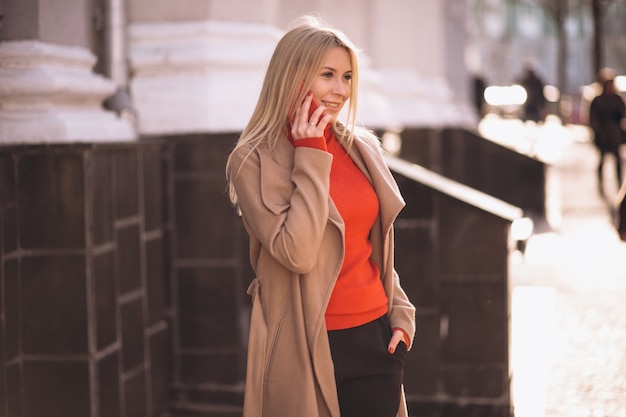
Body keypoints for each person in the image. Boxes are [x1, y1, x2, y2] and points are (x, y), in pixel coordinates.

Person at [225, 15, 416, 417]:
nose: (340, 90)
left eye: (347, 77)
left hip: (376, 338)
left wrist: (400, 315)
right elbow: (298, 252)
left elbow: (376, 243)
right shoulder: (252, 159)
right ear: (293, 75)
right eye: (327, 74)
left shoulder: (363, 148)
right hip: (304, 344)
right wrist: (311, 153)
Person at [588, 77, 625, 195]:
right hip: (603, 135)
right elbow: (593, 118)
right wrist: (597, 130)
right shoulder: (598, 100)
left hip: (614, 135)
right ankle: (600, 183)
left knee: (617, 161)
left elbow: (623, 113)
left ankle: (620, 184)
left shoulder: (617, 99)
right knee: (602, 160)